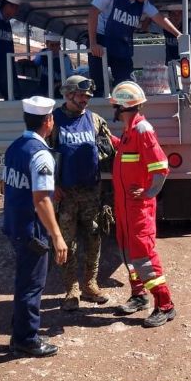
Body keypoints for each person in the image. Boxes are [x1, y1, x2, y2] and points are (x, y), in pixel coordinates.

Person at [2, 96, 68, 357]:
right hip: (32, 230)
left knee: (24, 281)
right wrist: (57, 235)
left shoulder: (14, 147)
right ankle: (27, 340)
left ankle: (18, 333)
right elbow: (41, 200)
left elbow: (5, 186)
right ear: (48, 121)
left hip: (15, 225)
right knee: (32, 285)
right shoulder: (41, 155)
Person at [108, 80, 175, 328]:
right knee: (129, 254)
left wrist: (148, 193)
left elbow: (161, 167)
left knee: (144, 257)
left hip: (138, 209)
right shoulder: (129, 131)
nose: (113, 110)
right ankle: (139, 295)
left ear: (122, 108)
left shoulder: (142, 129)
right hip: (125, 207)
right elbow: (130, 157)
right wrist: (112, 141)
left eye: (115, 106)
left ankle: (165, 305)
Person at [50, 75, 113, 311]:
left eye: (88, 96)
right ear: (68, 94)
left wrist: (96, 155)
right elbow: (44, 155)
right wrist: (52, 185)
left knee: (94, 237)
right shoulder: (53, 120)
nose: (85, 100)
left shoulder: (94, 120)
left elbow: (108, 147)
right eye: (81, 96)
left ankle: (90, 284)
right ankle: (71, 289)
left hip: (91, 191)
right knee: (67, 242)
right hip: (65, 194)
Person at [88, 0, 181, 97]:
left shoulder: (142, 3)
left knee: (126, 87)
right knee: (98, 88)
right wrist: (93, 43)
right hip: (101, 42)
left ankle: (125, 113)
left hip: (122, 46)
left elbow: (159, 17)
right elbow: (93, 12)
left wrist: (178, 35)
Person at [33, 32, 74, 98]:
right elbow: (35, 63)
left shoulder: (64, 58)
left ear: (60, 44)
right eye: (52, 45)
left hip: (59, 89)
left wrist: (55, 85)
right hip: (43, 86)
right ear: (47, 44)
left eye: (57, 45)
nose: (55, 47)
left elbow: (70, 78)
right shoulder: (42, 53)